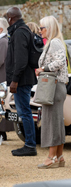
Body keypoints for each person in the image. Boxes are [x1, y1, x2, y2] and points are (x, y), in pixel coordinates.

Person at [36, 16, 68, 168]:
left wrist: (43, 68)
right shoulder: (55, 42)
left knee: (51, 121)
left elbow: (60, 62)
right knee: (56, 121)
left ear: (49, 28)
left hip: (53, 87)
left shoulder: (54, 43)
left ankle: (51, 157)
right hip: (56, 86)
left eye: (41, 28)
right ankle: (59, 156)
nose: (39, 30)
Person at [5, 7, 37, 156]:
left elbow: (21, 60)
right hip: (23, 79)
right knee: (25, 112)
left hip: (22, 80)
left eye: (7, 18)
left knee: (25, 113)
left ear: (11, 18)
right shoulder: (22, 30)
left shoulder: (19, 32)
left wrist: (15, 80)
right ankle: (29, 143)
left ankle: (30, 145)